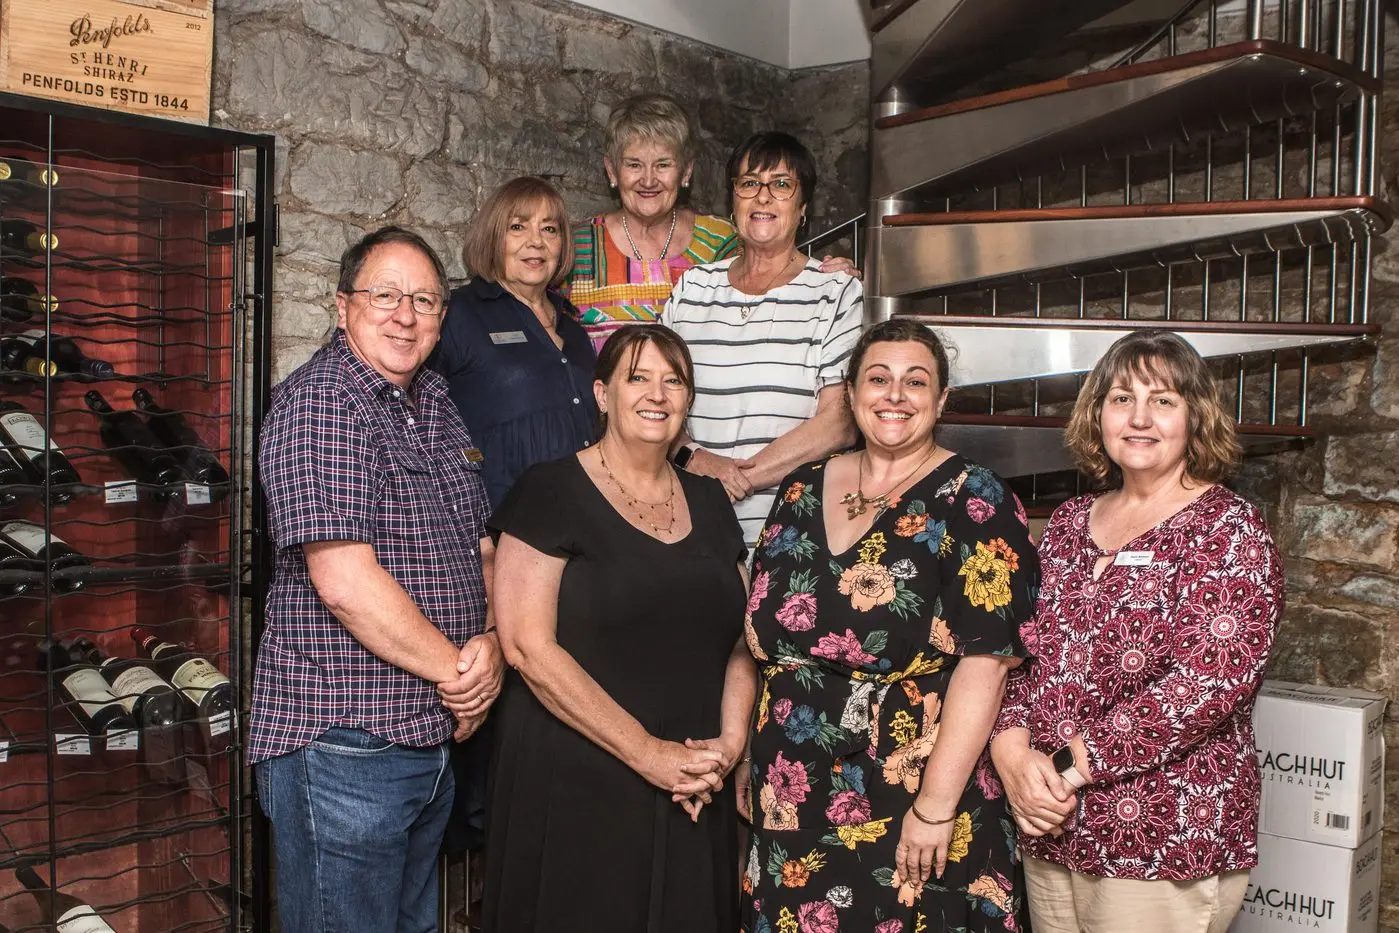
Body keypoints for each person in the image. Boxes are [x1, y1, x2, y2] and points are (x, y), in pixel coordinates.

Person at [740, 318, 1039, 933]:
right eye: (879, 379)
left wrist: (934, 807)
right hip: (791, 786)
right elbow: (756, 641)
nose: (895, 395)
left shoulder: (975, 498)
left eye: (915, 382)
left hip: (912, 783)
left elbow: (987, 661)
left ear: (941, 400)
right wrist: (749, 753)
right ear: (851, 394)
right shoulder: (799, 489)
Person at [250, 227, 504, 933]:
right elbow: (344, 583)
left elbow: (479, 545)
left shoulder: (435, 400)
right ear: (341, 306)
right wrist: (464, 673)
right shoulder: (324, 403)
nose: (406, 314)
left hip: (425, 735)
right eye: (385, 295)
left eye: (424, 300)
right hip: (345, 745)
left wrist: (491, 639)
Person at [989, 330, 1284, 933]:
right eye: (1122, 398)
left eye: (1164, 401)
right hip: (1052, 824)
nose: (1140, 418)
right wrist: (1012, 751)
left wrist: (1073, 765)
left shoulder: (1228, 528)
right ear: (1098, 414)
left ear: (1195, 417)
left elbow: (1209, 682)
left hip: (1162, 829)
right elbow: (1026, 652)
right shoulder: (1071, 522)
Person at [482, 324, 756, 933]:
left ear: (688, 401)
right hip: (579, 767)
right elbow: (526, 646)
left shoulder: (711, 501)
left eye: (673, 380)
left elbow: (742, 640)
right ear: (602, 393)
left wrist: (730, 748)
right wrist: (646, 753)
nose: (657, 393)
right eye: (638, 377)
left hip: (693, 777)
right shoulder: (549, 490)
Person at [427, 177, 599, 860]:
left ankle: (539, 863)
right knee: (487, 719)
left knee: (554, 707)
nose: (535, 241)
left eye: (550, 228)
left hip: (578, 552)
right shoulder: (462, 314)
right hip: (493, 549)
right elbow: (417, 413)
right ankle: (477, 876)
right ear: (491, 237)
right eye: (518, 226)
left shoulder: (578, 330)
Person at [667, 131, 862, 551]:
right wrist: (694, 460)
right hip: (684, 522)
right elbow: (652, 398)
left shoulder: (835, 292)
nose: (764, 197)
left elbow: (840, 422)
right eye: (749, 183)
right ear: (733, 200)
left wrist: (736, 479)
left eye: (782, 185)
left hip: (790, 533)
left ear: (803, 207)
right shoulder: (692, 288)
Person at [565, 94, 852, 352]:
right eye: (634, 164)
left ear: (686, 171)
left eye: (663, 164)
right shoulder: (576, 247)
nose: (649, 180)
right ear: (611, 171)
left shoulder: (722, 240)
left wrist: (827, 275)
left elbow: (776, 281)